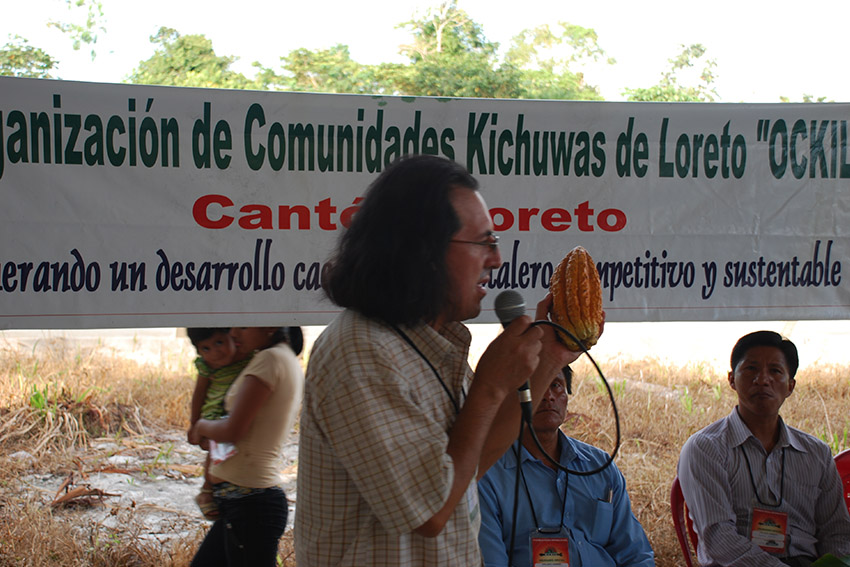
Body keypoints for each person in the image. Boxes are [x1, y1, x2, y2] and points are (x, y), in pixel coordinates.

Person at [294, 154, 578, 566]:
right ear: (423, 251)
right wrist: (491, 385)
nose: (496, 259)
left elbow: (471, 462)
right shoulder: (362, 351)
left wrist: (549, 357)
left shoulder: (428, 342)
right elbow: (430, 510)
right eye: (483, 242)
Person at [678, 330, 850, 567]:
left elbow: (838, 533)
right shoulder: (706, 448)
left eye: (775, 371)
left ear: (790, 386)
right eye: (751, 369)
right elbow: (719, 539)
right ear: (731, 379)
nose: (762, 379)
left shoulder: (816, 454)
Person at [477, 368, 655, 567]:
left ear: (567, 396)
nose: (548, 396)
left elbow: (635, 554)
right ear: (510, 400)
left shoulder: (599, 466)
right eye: (536, 387)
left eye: (556, 385)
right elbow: (492, 561)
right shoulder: (488, 476)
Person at [189, 326, 304, 567]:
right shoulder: (279, 357)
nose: (234, 334)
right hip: (244, 503)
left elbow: (232, 430)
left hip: (251, 505)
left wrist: (200, 426)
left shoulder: (269, 359)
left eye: (242, 326)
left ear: (270, 325)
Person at [186, 327, 254, 520]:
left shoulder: (250, 358)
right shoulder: (209, 368)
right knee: (215, 450)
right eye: (206, 349)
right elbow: (199, 394)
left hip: (238, 412)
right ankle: (207, 490)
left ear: (233, 338)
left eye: (219, 343)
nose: (215, 352)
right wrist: (194, 423)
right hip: (215, 414)